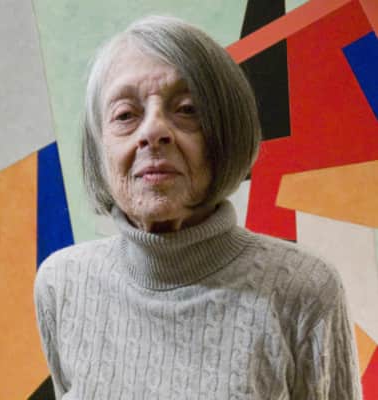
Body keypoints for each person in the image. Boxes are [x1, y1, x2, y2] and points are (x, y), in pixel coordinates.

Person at [34, 15, 362, 400]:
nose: (153, 131)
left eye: (187, 109)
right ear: (99, 147)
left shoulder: (304, 291)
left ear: (225, 134)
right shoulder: (63, 284)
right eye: (125, 115)